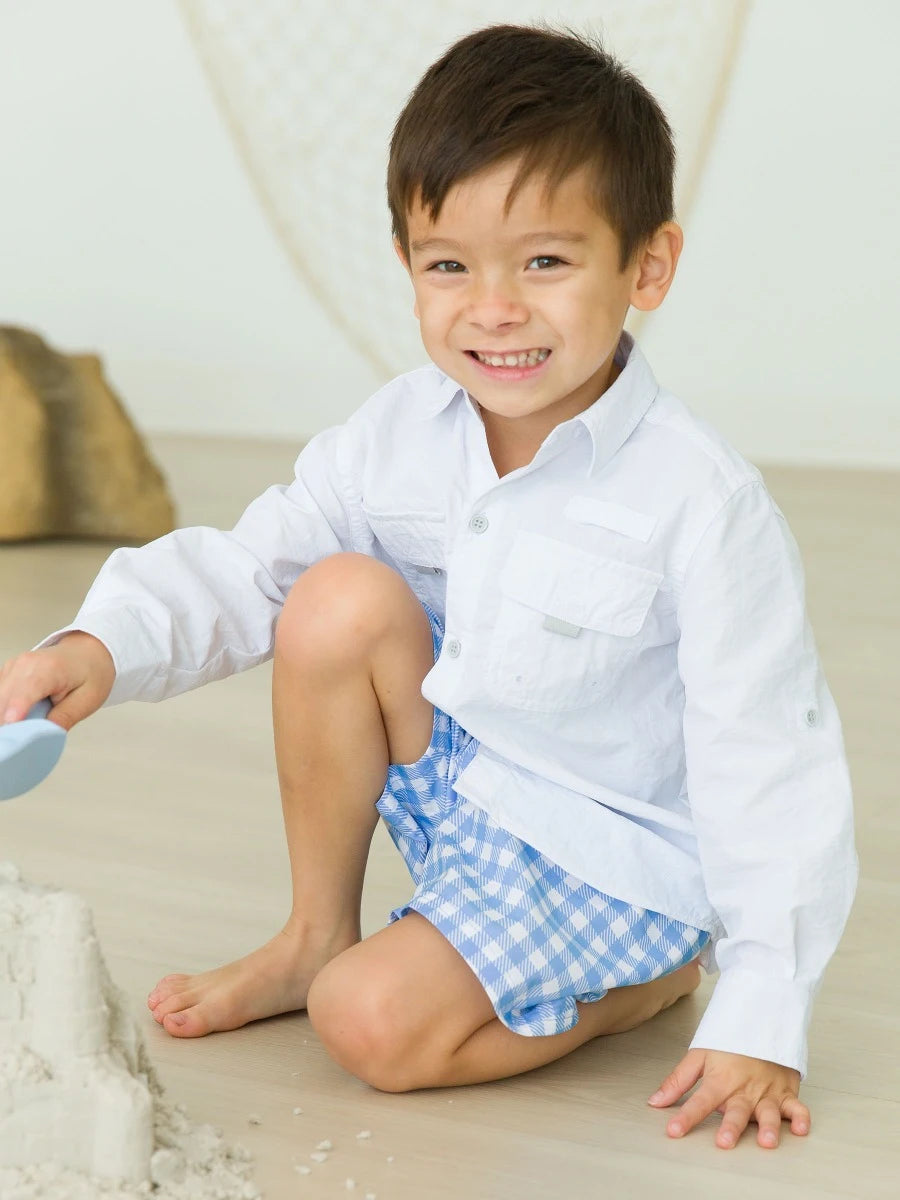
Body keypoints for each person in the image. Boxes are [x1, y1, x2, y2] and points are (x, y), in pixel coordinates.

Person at [0, 24, 856, 1151]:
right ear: (408, 262)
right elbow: (257, 564)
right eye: (449, 265)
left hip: (607, 856)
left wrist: (763, 1009)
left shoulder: (703, 501)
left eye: (544, 263)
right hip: (469, 791)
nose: (493, 309)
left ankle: (646, 980)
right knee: (335, 597)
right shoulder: (398, 434)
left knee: (370, 1026)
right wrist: (98, 643)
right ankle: (314, 934)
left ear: (646, 265)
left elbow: (768, 758)